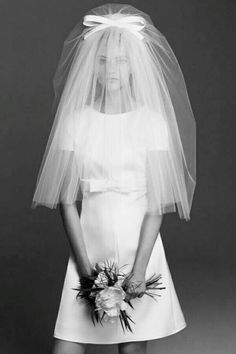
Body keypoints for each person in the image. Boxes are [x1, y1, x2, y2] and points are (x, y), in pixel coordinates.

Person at [31, 3, 196, 354]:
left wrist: (139, 271)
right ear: (93, 64)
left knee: (132, 348)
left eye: (121, 60)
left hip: (140, 251)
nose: (112, 69)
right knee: (67, 346)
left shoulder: (152, 122)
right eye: (104, 59)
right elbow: (66, 200)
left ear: (135, 66)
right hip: (87, 249)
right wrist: (84, 265)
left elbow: (156, 206)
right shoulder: (76, 122)